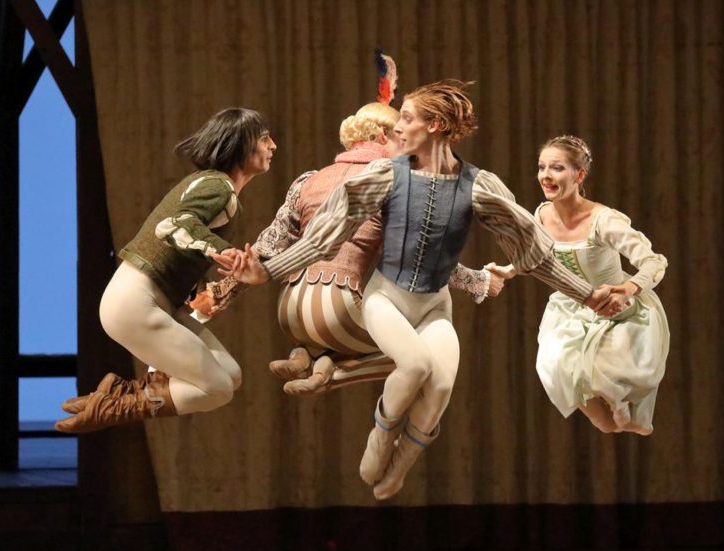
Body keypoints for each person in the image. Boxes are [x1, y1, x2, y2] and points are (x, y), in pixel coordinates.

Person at [214, 81, 601, 500]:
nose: (398, 128)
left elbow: (534, 253)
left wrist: (589, 294)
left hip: (434, 306)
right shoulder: (385, 175)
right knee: (415, 365)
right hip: (385, 298)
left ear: (434, 126)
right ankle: (380, 437)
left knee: (441, 384)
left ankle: (401, 462)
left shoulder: (478, 184)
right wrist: (265, 272)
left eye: (407, 119)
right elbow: (322, 239)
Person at [192, 75, 502, 396]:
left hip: (290, 310)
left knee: (359, 332)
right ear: (384, 136)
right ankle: (329, 376)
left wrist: (219, 293)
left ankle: (307, 357)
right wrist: (480, 282)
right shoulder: (391, 183)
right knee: (421, 357)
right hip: (337, 306)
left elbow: (266, 248)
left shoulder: (309, 180)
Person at [55, 108, 276, 433]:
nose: (273, 146)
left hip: (153, 301)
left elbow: (183, 247)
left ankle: (122, 395)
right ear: (244, 144)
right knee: (216, 388)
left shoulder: (216, 188)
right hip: (136, 303)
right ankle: (116, 406)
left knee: (230, 374)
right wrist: (220, 250)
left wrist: (207, 290)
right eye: (265, 138)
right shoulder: (219, 187)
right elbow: (173, 225)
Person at [488, 135, 669, 434]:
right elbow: (536, 256)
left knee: (609, 372)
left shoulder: (603, 220)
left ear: (579, 174)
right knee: (554, 365)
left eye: (557, 168)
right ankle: (611, 418)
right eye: (542, 167)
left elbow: (654, 261)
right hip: (569, 308)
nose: (546, 175)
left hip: (615, 308)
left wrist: (628, 288)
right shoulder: (542, 215)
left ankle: (624, 406)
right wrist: (509, 270)